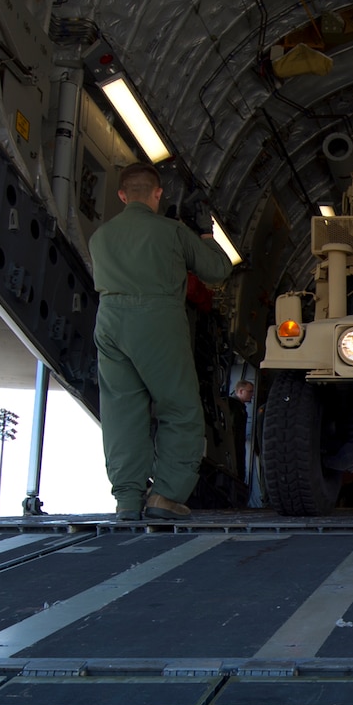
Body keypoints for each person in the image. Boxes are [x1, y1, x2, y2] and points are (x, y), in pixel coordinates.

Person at [88, 162, 232, 519]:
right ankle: (165, 495)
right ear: (157, 193)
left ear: (122, 196)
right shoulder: (171, 232)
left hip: (109, 322)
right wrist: (204, 234)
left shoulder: (100, 236)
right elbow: (217, 270)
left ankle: (127, 500)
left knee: (122, 413)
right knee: (180, 409)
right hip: (156, 319)